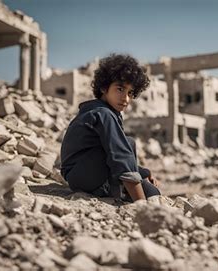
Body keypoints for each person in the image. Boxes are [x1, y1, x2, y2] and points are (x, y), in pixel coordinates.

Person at [60, 54, 161, 202]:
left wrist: (144, 172)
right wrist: (141, 206)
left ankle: (123, 192)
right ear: (103, 87)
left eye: (130, 93)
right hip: (80, 176)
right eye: (120, 89)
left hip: (93, 171)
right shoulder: (103, 113)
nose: (125, 98)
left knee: (151, 191)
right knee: (126, 148)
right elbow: (119, 156)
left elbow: (118, 152)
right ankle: (127, 197)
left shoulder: (110, 112)